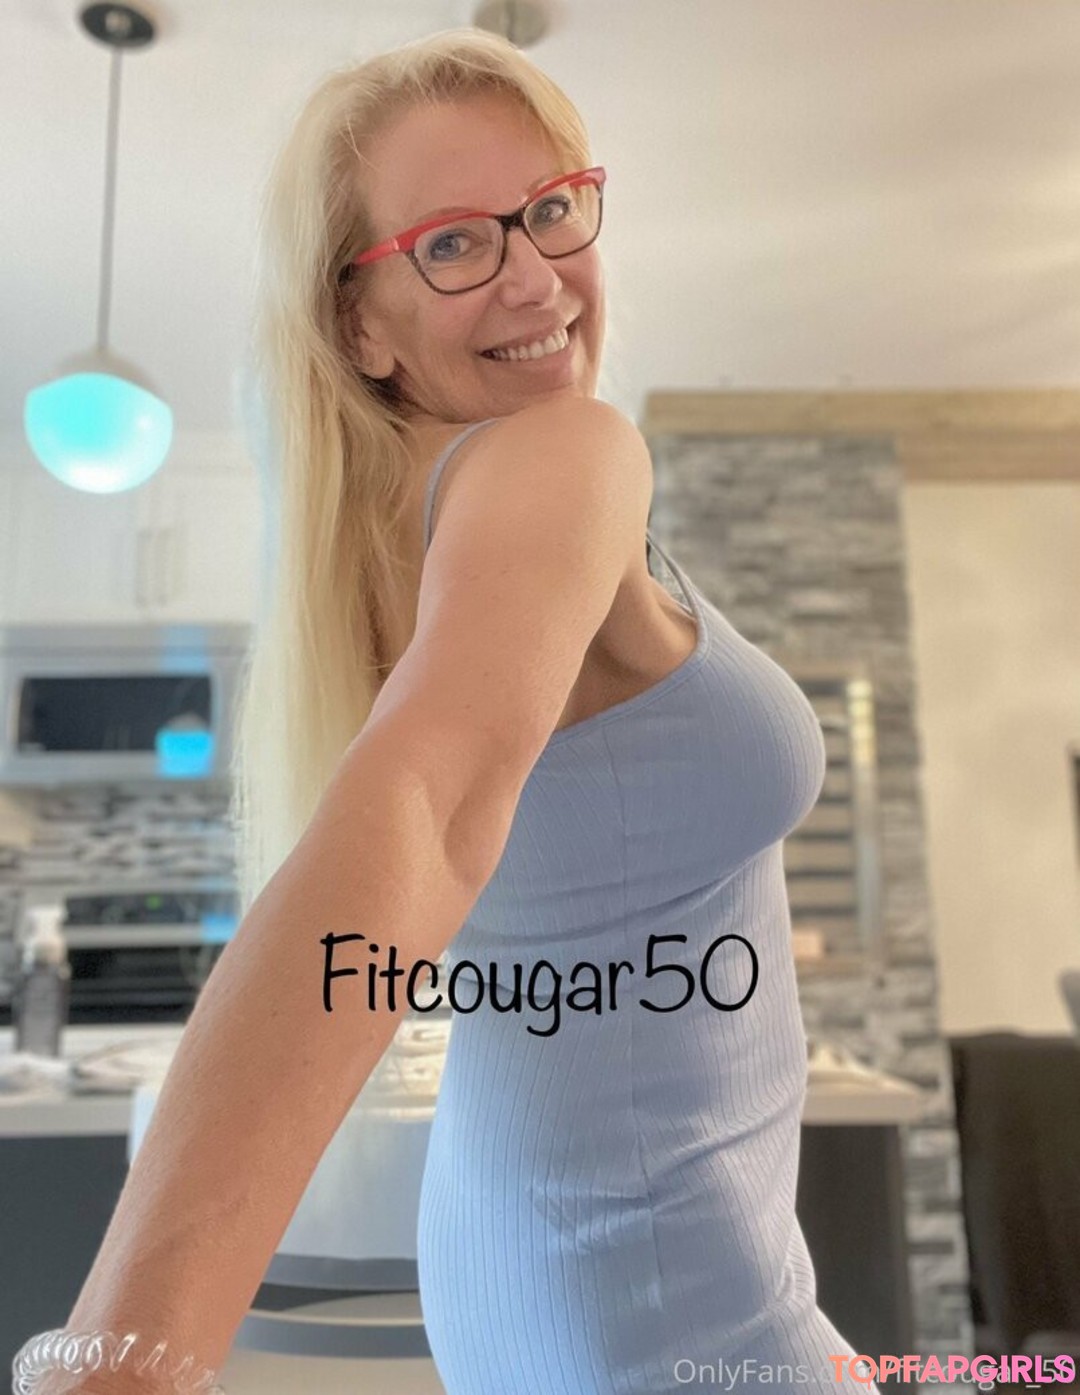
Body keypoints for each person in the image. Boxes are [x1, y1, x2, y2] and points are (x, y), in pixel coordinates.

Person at [13, 28, 881, 1395]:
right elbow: (423, 807)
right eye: (455, 244)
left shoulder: (383, 540)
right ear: (360, 322)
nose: (536, 275)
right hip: (673, 1301)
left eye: (552, 208)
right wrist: (119, 1361)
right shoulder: (563, 455)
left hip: (533, 1272)